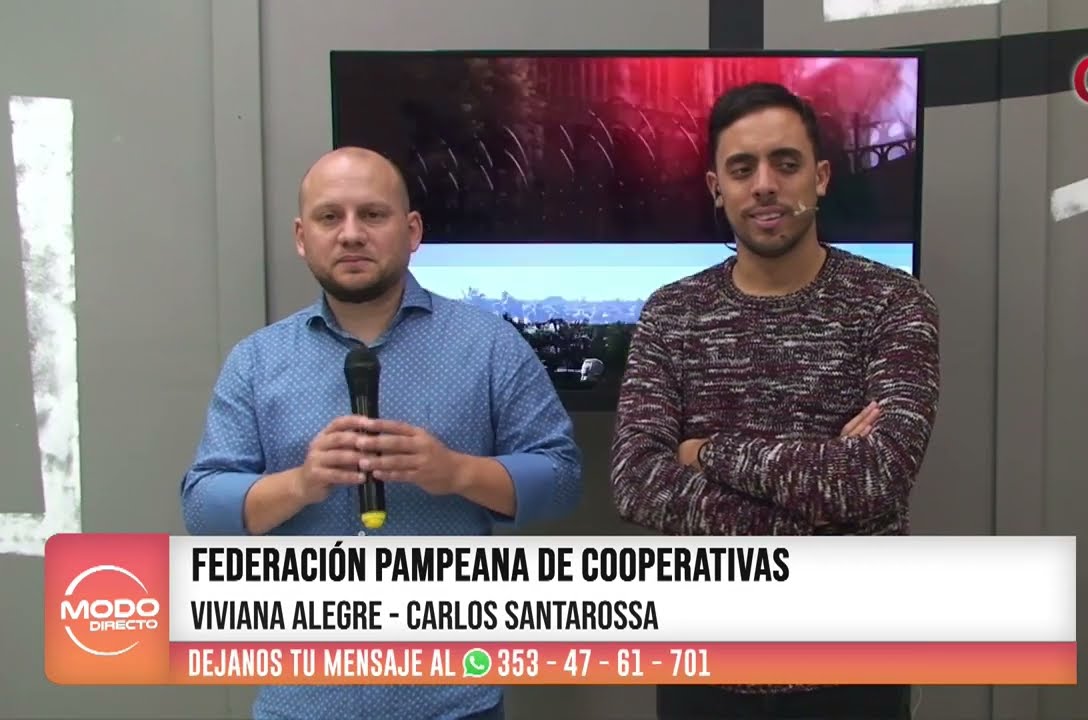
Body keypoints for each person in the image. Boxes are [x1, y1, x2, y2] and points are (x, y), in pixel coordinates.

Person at [181, 146, 584, 720]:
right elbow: (202, 508)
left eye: (372, 214)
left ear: (412, 230)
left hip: (453, 700)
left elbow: (563, 480)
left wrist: (458, 472)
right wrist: (300, 484)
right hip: (302, 700)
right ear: (302, 237)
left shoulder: (490, 345)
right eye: (329, 217)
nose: (351, 234)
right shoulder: (256, 361)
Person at [609, 83, 940, 719]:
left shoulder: (891, 303)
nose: (764, 185)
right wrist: (822, 500)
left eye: (785, 164)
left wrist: (707, 452)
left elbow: (875, 477)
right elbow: (637, 485)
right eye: (742, 169)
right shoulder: (673, 313)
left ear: (820, 178)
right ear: (717, 188)